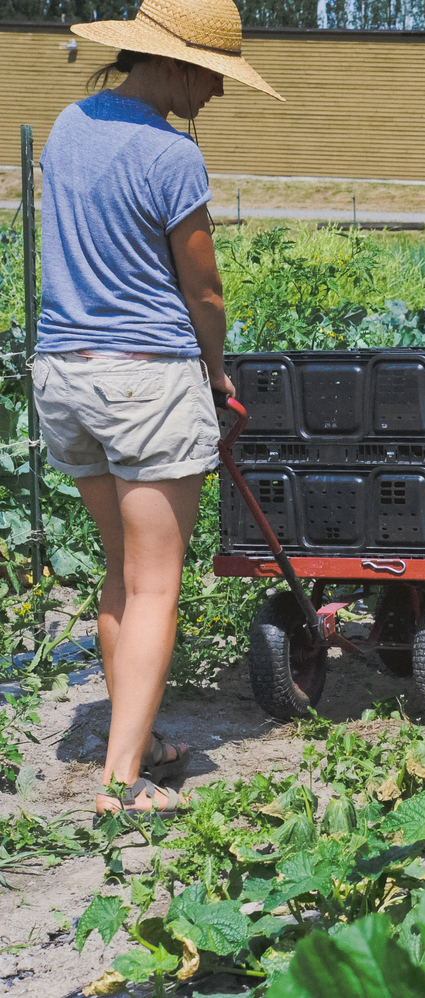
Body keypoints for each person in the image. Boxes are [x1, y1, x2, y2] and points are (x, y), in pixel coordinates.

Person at [37, 0, 282, 818]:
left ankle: (133, 745)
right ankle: (121, 784)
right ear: (173, 63)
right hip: (146, 381)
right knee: (155, 588)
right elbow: (203, 288)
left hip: (64, 373)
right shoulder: (170, 155)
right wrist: (216, 374)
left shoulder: (69, 126)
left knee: (121, 573)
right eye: (212, 75)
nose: (215, 91)